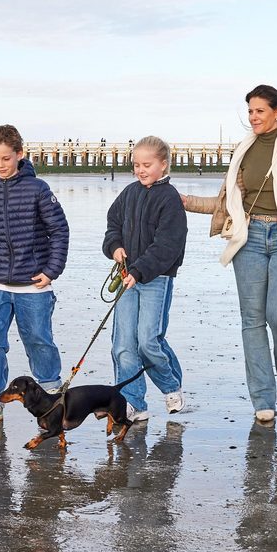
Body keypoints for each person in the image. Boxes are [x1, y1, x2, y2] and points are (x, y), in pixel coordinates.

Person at [180, 85, 277, 425]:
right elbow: (227, 202)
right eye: (250, 111)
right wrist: (184, 201)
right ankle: (262, 398)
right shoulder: (243, 151)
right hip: (250, 236)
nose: (253, 117)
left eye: (259, 110)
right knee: (252, 320)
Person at [0, 124, 69, 428]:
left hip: (34, 284)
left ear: (20, 154)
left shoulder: (38, 189)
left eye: (6, 159)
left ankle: (51, 389)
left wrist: (51, 270)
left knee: (38, 339)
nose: (0, 165)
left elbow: (59, 231)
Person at [104, 135, 188, 421]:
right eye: (136, 164)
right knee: (123, 344)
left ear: (163, 165)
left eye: (147, 164)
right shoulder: (128, 193)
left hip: (156, 279)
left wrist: (140, 272)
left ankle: (171, 386)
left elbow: (168, 245)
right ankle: (134, 403)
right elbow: (112, 224)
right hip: (127, 278)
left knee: (148, 342)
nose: (141, 170)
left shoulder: (170, 199)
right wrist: (114, 247)